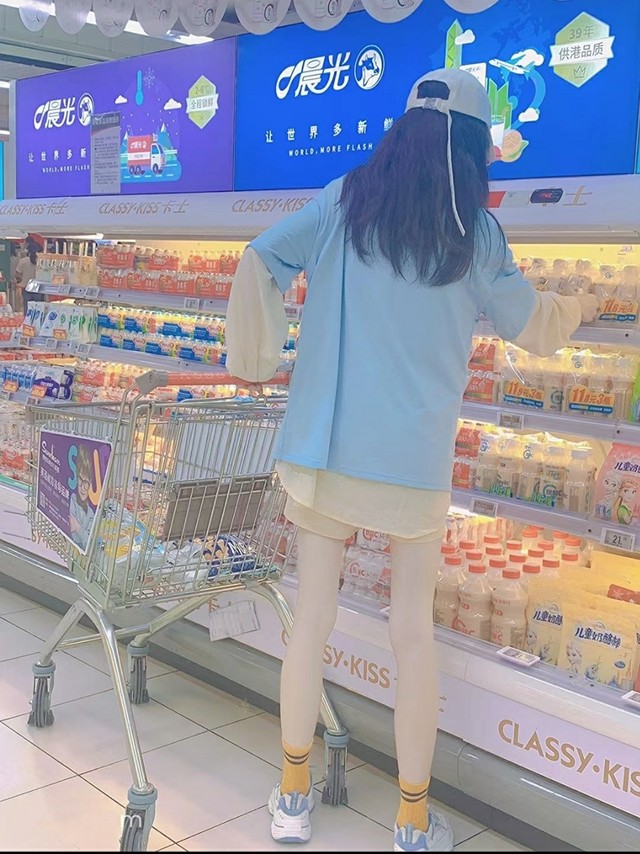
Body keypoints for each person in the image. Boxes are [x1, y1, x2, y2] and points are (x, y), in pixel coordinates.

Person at [225, 68, 598, 852]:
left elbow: (262, 256)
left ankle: (291, 795)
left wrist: (261, 356)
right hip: (415, 465)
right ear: (471, 144)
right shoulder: (475, 232)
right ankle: (414, 818)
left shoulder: (346, 201)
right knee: (411, 633)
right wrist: (587, 305)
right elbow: (532, 325)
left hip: (325, 449)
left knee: (310, 619)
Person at [69, 444, 95, 552]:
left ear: (91, 483)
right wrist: (82, 533)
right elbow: (72, 533)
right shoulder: (72, 500)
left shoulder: (91, 514)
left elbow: (87, 544)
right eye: (80, 480)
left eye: (86, 483)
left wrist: (78, 527)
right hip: (72, 550)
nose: (83, 488)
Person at [15, 235, 44, 304]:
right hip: (39, 288)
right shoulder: (42, 262)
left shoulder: (23, 261)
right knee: (38, 307)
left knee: (27, 307)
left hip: (26, 287)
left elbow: (18, 275)